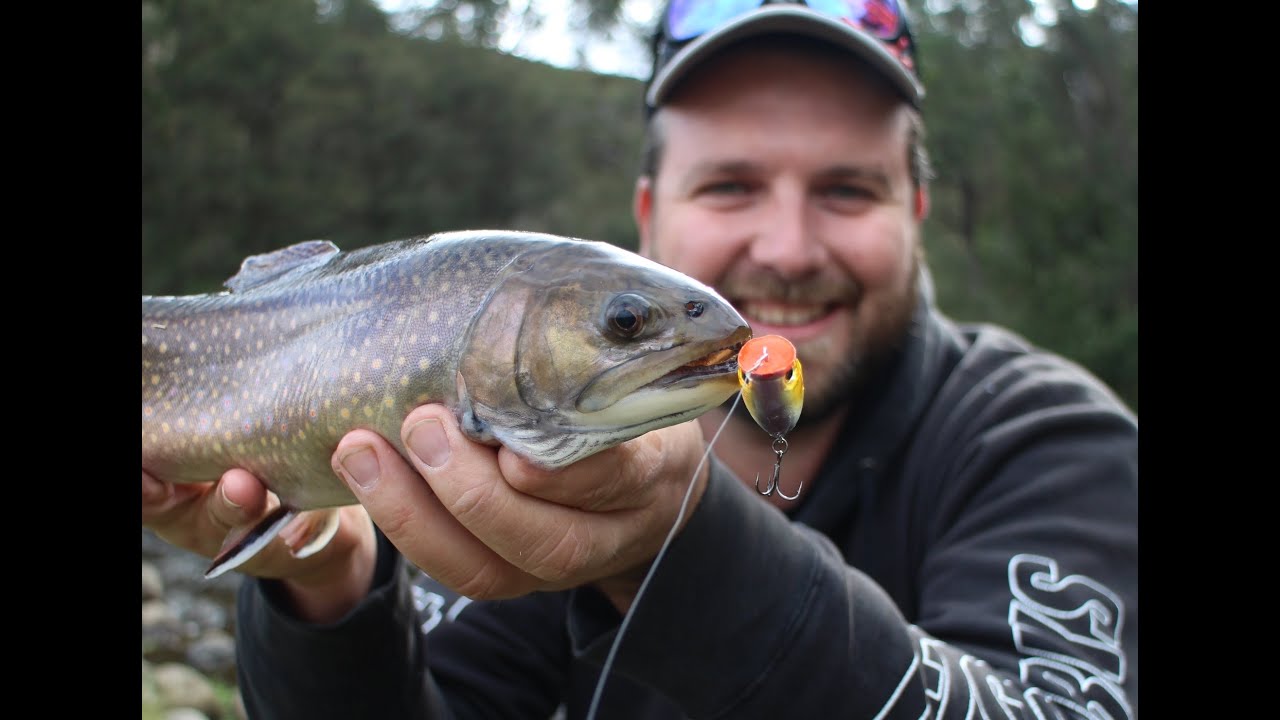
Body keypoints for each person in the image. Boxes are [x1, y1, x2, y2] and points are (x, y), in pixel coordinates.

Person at [141, 1, 1139, 718]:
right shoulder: (511, 441)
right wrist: (329, 583)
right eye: (730, 186)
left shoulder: (1049, 443)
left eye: (845, 190)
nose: (787, 248)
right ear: (647, 214)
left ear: (913, 215)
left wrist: (679, 547)